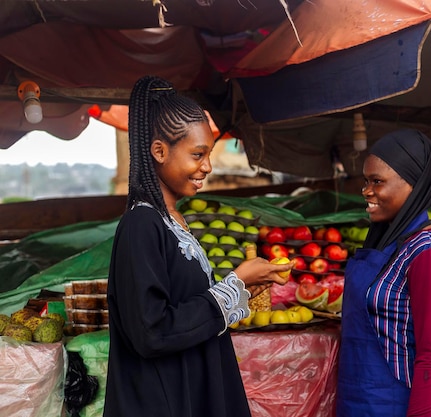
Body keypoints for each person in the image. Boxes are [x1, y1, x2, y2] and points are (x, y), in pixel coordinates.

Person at [103, 75, 292, 417]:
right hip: (166, 403)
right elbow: (152, 331)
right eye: (197, 154)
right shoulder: (141, 225)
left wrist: (240, 286)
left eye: (209, 154)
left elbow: (185, 307)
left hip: (190, 392)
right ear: (159, 151)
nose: (207, 166)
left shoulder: (172, 220)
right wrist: (233, 286)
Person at [336, 129, 431, 417]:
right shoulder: (384, 243)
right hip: (358, 404)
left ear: (413, 185)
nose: (366, 191)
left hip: (399, 407)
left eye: (377, 182)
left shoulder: (429, 252)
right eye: (366, 181)